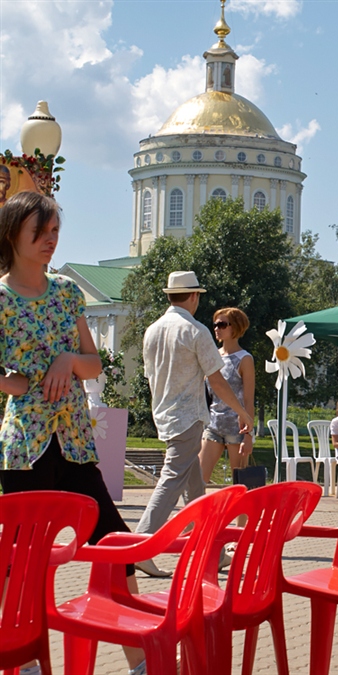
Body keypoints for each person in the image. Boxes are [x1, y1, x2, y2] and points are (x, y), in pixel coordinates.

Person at [0, 191, 146, 675]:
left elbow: (94, 363)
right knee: (22, 558)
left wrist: (68, 360)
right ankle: (22, 662)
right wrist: (11, 380)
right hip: (25, 445)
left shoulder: (65, 291)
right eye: (39, 233)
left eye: (55, 232)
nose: (49, 241)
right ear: (12, 235)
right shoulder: (0, 298)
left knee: (115, 546)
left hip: (76, 441)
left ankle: (141, 660)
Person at [135, 271, 252, 577]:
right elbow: (217, 380)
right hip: (188, 418)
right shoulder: (195, 331)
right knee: (173, 479)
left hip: (164, 413)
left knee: (195, 490)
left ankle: (212, 554)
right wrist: (243, 411)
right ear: (194, 296)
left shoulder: (152, 330)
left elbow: (150, 376)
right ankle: (140, 545)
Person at [198, 307, 254, 486]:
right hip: (213, 425)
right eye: (215, 324)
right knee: (199, 479)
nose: (217, 328)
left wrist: (249, 435)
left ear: (235, 327)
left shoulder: (245, 359)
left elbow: (248, 400)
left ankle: (241, 516)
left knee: (240, 486)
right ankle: (200, 515)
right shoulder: (213, 356)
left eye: (222, 324)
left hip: (237, 430)